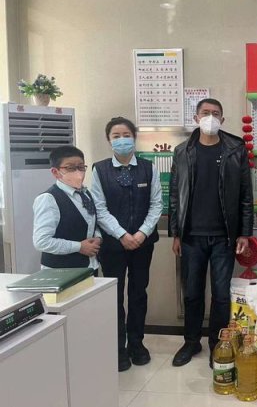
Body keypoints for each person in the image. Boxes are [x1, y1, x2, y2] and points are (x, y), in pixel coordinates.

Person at [169, 98, 253, 368]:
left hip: (224, 237)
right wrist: (175, 233)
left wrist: (244, 233)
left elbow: (246, 194)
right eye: (205, 113)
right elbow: (175, 194)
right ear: (196, 118)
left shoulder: (235, 150)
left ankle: (218, 344)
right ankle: (191, 341)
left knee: (221, 294)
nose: (210, 117)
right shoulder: (182, 151)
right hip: (191, 236)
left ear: (223, 119)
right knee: (192, 293)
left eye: (216, 113)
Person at [91, 117, 162, 372]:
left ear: (134, 137)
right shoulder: (99, 170)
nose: (121, 140)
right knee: (114, 296)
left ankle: (136, 344)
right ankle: (118, 348)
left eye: (126, 135)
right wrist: (122, 235)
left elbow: (156, 204)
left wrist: (141, 234)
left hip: (143, 243)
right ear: (108, 140)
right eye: (116, 136)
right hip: (113, 246)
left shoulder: (148, 168)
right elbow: (99, 208)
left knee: (138, 294)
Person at [33, 145, 102, 272]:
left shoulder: (86, 193)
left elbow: (90, 223)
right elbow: (42, 241)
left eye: (81, 167)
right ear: (55, 172)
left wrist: (98, 237)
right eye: (70, 168)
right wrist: (79, 247)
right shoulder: (48, 199)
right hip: (60, 271)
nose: (78, 172)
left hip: (90, 266)